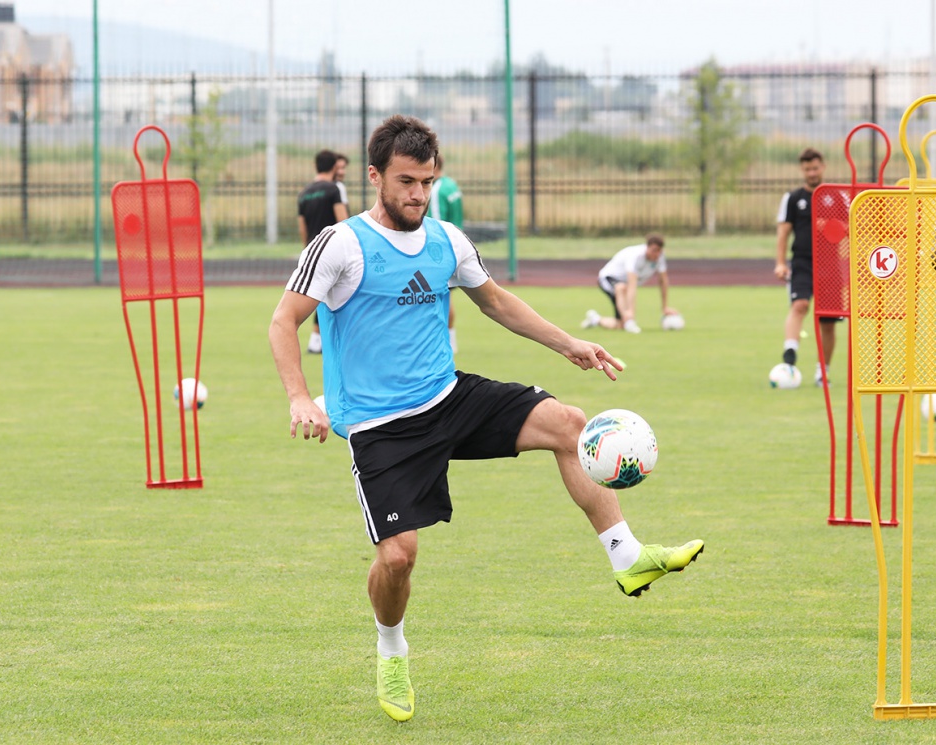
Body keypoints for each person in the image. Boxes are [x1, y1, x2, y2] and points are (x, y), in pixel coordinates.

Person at [269, 115, 704, 723]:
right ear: (374, 177)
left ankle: (627, 557)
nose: (417, 194)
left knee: (570, 423)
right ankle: (390, 648)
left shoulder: (447, 238)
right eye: (405, 182)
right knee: (398, 559)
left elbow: (495, 301)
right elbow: (282, 321)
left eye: (426, 181)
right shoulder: (341, 244)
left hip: (449, 397)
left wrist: (568, 344)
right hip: (379, 427)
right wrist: (298, 397)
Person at [774, 148, 838, 387]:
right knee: (799, 305)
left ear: (823, 167)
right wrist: (780, 263)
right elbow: (783, 233)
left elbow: (849, 228)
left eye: (815, 168)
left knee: (828, 321)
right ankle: (789, 354)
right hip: (802, 262)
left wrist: (829, 225)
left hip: (831, 263)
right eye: (807, 169)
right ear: (802, 170)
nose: (812, 173)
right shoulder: (793, 198)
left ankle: (824, 370)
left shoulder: (837, 196)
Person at [298, 149, 349, 354]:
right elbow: (343, 221)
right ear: (334, 167)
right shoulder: (333, 189)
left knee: (317, 295)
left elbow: (302, 227)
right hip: (334, 251)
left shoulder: (304, 193)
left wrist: (308, 249)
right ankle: (328, 340)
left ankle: (315, 339)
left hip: (313, 250)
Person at [581, 234, 677, 333]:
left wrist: (665, 307)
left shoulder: (659, 257)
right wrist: (631, 312)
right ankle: (629, 322)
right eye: (654, 250)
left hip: (625, 286)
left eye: (659, 251)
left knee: (620, 324)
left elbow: (663, 281)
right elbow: (632, 285)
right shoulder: (635, 256)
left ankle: (595, 319)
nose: (656, 254)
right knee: (621, 288)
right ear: (647, 247)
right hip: (607, 279)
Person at [429, 154, 463, 352]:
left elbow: (438, 221)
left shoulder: (438, 188)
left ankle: (447, 342)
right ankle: (450, 340)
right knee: (444, 295)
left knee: (439, 296)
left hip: (442, 250)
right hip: (456, 243)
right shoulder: (451, 184)